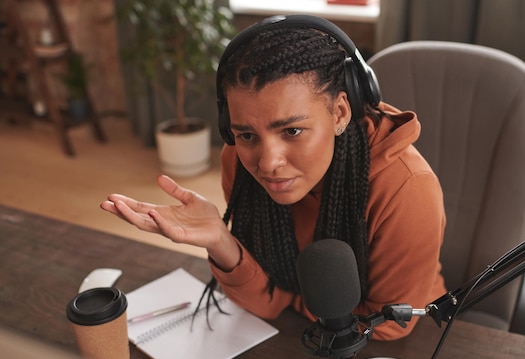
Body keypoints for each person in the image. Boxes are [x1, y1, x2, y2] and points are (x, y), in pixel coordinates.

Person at [100, 15, 447, 341]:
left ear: (340, 112)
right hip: (303, 332)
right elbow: (265, 301)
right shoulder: (238, 159)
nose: (268, 163)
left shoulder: (407, 189)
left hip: (399, 341)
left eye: (292, 130)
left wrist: (288, 299)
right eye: (247, 134)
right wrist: (221, 242)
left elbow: (388, 327)